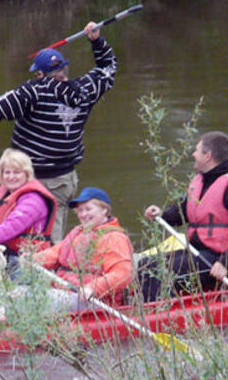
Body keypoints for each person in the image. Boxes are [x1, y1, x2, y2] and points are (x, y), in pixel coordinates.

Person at [0, 21, 117, 244]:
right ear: (64, 70)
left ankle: (43, 273)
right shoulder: (87, 89)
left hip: (31, 178)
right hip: (64, 178)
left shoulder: (33, 91)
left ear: (41, 74)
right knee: (53, 224)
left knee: (36, 234)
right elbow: (107, 68)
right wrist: (96, 41)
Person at [141, 131, 228, 302]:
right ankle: (159, 310)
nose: (193, 154)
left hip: (216, 259)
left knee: (157, 270)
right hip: (198, 253)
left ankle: (163, 317)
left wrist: (224, 263)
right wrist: (161, 214)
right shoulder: (201, 181)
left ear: (208, 156)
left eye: (197, 150)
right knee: (144, 264)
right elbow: (183, 210)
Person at [30, 187, 134, 310]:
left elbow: (122, 274)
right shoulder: (79, 231)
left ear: (104, 210)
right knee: (20, 293)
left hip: (94, 302)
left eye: (88, 209)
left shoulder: (114, 238)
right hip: (65, 291)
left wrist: (92, 288)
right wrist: (33, 259)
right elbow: (57, 252)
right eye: (79, 210)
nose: (83, 214)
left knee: (33, 301)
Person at [0, 149, 56, 271]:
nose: (11, 177)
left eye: (17, 172)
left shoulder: (33, 200)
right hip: (7, 252)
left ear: (27, 174)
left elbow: (8, 230)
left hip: (27, 260)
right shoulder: (5, 193)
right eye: (7, 172)